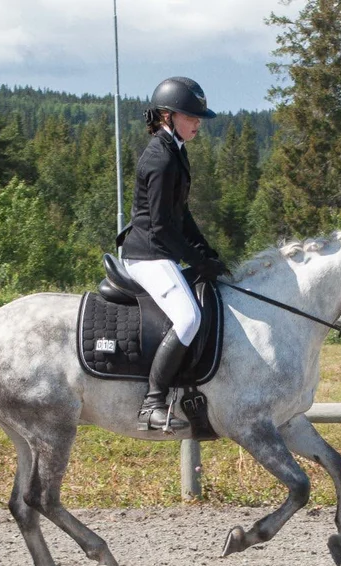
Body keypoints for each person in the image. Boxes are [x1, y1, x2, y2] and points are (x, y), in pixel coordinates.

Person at [120, 76, 228, 432]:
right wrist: (196, 261)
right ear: (167, 116)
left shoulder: (175, 152)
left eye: (199, 118)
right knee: (188, 318)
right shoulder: (162, 159)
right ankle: (153, 402)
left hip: (159, 249)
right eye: (191, 117)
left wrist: (205, 250)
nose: (198, 123)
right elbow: (164, 227)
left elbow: (182, 215)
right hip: (147, 254)